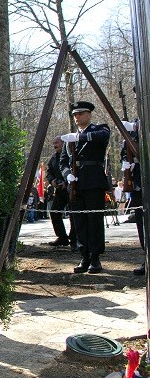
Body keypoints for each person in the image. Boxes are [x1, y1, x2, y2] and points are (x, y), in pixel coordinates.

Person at [60, 101, 110, 274]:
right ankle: (84, 256)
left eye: (80, 114)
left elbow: (102, 136)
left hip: (93, 181)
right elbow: (63, 162)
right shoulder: (69, 139)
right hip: (76, 183)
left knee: (94, 220)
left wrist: (79, 138)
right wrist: (68, 175)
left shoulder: (98, 129)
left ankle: (95, 257)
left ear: (89, 114)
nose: (77, 117)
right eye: (74, 115)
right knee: (79, 221)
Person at [120, 119, 145, 275]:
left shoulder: (137, 126)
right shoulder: (131, 130)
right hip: (137, 182)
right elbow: (124, 152)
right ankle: (147, 257)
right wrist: (127, 163)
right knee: (141, 222)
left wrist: (138, 127)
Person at [46, 136, 77, 249]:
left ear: (63, 143)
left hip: (72, 189)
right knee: (54, 212)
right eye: (53, 143)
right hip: (60, 191)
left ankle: (74, 240)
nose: (55, 145)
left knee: (73, 214)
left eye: (57, 143)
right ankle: (62, 237)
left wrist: (66, 182)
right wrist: (52, 181)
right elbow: (48, 173)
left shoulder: (71, 155)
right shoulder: (53, 158)